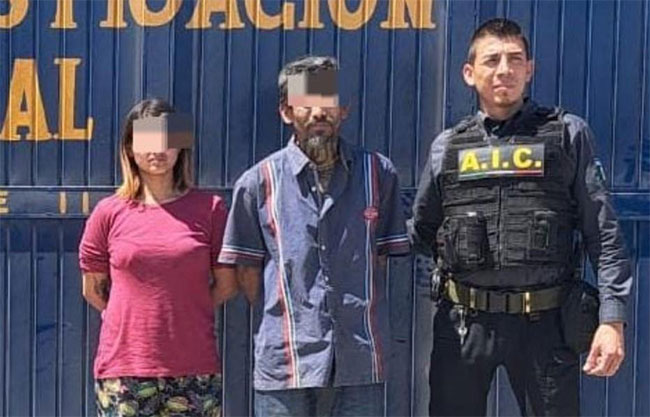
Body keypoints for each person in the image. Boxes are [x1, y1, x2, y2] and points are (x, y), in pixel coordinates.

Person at [410, 18, 633, 416]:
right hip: (464, 324)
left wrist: (612, 319)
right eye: (492, 60)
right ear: (469, 73)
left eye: (515, 59)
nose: (504, 70)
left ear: (529, 69)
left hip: (544, 323)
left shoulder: (566, 135)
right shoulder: (448, 147)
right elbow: (422, 230)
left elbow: (603, 234)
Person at [218, 56, 410, 417]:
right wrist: (294, 310)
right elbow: (247, 274)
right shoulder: (258, 182)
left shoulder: (378, 174)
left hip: (359, 355)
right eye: (306, 102)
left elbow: (380, 257)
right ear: (286, 112)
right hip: (285, 358)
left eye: (328, 101)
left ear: (344, 109)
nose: (319, 112)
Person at [79, 98, 237, 417]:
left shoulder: (210, 209)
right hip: (124, 370)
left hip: (194, 369)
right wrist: (134, 318)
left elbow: (227, 285)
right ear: (129, 148)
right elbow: (92, 289)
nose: (157, 150)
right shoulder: (108, 212)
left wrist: (185, 310)